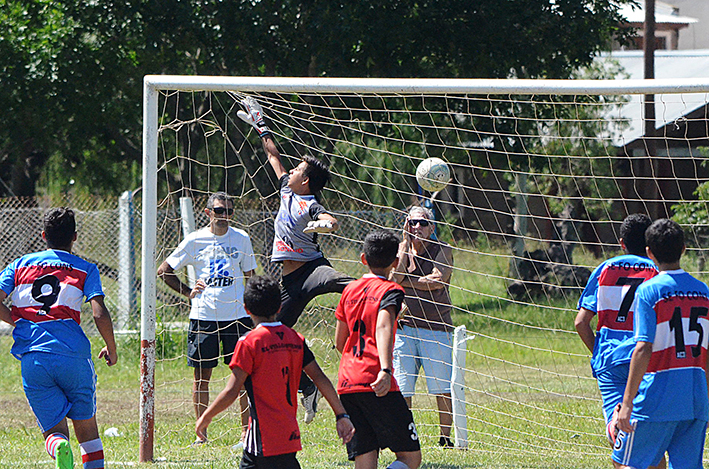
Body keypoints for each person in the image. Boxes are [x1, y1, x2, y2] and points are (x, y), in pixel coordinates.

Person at [238, 97, 354, 423]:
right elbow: (273, 156)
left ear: (305, 181)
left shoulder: (311, 203)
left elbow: (332, 221)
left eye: (298, 170)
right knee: (275, 332)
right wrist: (262, 126)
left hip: (311, 269)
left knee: (337, 281)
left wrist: (323, 224)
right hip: (288, 281)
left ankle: (382, 295)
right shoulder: (286, 190)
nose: (291, 171)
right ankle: (308, 386)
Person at [195, 275, 355, 469]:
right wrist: (341, 415)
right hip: (289, 437)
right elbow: (320, 378)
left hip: (261, 442)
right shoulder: (296, 339)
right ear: (279, 307)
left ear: (246, 309)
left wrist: (206, 417)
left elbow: (231, 390)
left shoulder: (249, 342)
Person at [0, 207, 118, 469]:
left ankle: (58, 446)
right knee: (88, 432)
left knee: (53, 432)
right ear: (75, 237)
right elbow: (99, 312)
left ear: (44, 235)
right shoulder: (85, 268)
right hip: (74, 356)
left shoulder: (20, 265)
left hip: (34, 358)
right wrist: (111, 347)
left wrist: (16, 320)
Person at [157, 192, 257, 444]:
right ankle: (201, 434)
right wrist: (187, 293)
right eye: (219, 210)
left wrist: (253, 309)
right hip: (203, 319)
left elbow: (251, 276)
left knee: (244, 377)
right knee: (202, 378)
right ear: (208, 212)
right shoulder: (194, 240)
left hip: (237, 318)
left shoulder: (242, 239)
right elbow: (164, 271)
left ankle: (247, 433)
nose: (224, 216)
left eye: (229, 212)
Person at [614, 219, 709, 469]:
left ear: (649, 253)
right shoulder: (703, 291)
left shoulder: (650, 292)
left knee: (626, 462)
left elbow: (643, 348)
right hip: (695, 398)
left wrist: (626, 402)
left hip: (657, 398)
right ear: (684, 249)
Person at [574, 214, 663, 455]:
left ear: (622, 243)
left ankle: (616, 429)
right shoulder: (657, 271)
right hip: (646, 358)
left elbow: (581, 322)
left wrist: (600, 353)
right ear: (650, 244)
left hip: (610, 360)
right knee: (649, 430)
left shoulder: (605, 269)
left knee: (622, 432)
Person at [335, 230, 422, 469]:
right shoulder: (391, 291)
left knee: (365, 456)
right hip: (377, 381)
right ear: (395, 262)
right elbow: (383, 324)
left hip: (347, 382)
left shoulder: (349, 290)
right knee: (410, 457)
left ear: (364, 258)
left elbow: (340, 342)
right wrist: (385, 368)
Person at [390, 205, 455, 447]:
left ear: (432, 228)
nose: (417, 227)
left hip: (436, 328)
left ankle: (445, 437)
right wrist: (405, 245)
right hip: (404, 328)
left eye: (423, 223)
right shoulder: (400, 249)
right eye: (412, 222)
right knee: (403, 386)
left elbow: (437, 281)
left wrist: (406, 281)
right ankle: (406, 437)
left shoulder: (443, 249)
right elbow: (393, 277)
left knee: (441, 386)